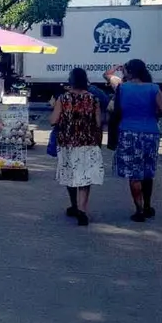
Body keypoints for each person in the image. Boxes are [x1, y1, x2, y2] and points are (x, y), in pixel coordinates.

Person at [106, 59, 162, 222]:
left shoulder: (122, 88)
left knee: (134, 173)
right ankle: (147, 205)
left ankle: (139, 209)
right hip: (150, 133)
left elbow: (115, 109)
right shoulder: (153, 88)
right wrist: (153, 114)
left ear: (130, 72)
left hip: (128, 132)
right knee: (148, 171)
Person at [50, 68, 104, 226]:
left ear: (71, 81)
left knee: (70, 174)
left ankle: (74, 205)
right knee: (85, 178)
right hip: (88, 142)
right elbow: (98, 123)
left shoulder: (63, 99)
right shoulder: (93, 99)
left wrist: (53, 107)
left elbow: (53, 121)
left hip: (68, 143)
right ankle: (82, 210)